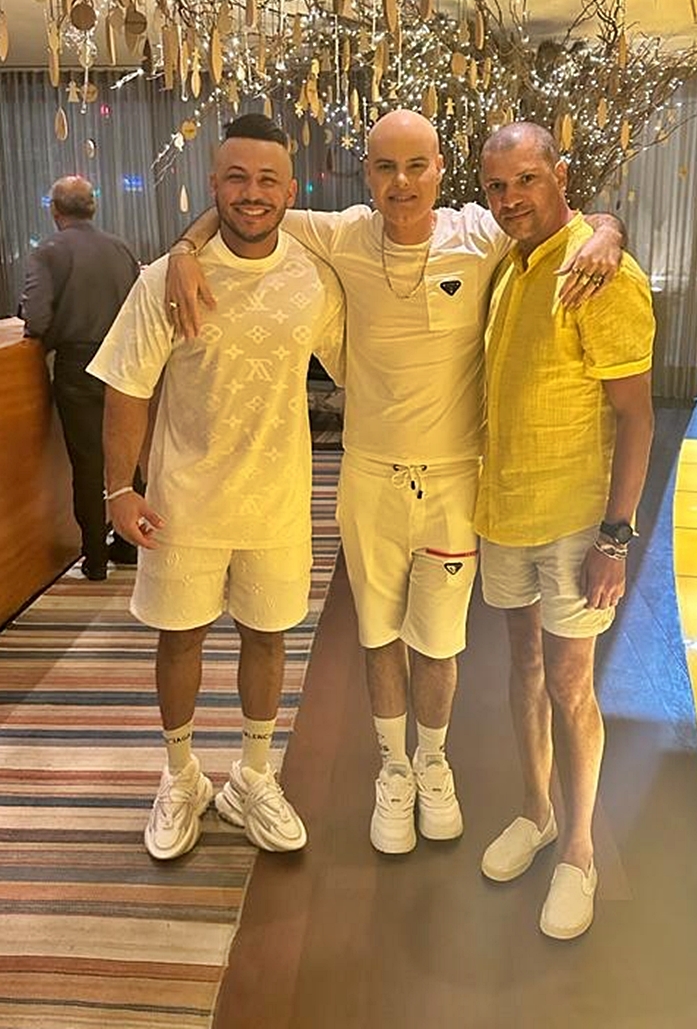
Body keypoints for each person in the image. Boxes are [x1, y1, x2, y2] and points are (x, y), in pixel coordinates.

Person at [166, 109, 624, 856]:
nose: (401, 182)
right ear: (368, 175)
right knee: (379, 634)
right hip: (368, 476)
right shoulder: (344, 234)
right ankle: (393, 769)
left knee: (438, 643)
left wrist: (609, 229)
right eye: (385, 167)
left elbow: (562, 219)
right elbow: (251, 206)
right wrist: (187, 248)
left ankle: (434, 764)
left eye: (416, 165)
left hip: (452, 481)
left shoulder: (480, 233)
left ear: (440, 170)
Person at [87, 114, 345, 860]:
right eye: (236, 177)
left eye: (267, 179)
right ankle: (181, 776)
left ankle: (253, 777)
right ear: (214, 185)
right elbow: (127, 386)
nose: (251, 192)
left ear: (290, 192)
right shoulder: (164, 280)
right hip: (183, 503)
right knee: (180, 639)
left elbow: (365, 364)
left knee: (269, 637)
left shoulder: (315, 278)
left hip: (277, 501)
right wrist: (118, 490)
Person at [475, 122, 655, 939]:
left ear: (560, 174)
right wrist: (609, 223)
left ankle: (580, 850)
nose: (511, 197)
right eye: (497, 185)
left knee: (570, 684)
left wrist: (615, 539)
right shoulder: (513, 265)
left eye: (526, 179)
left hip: (578, 522)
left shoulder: (599, 273)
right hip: (508, 510)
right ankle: (536, 810)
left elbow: (638, 416)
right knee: (522, 668)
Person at [21, 176, 140, 580]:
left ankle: (95, 558)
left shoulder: (48, 251)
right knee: (126, 453)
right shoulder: (121, 248)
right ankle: (129, 544)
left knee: (88, 462)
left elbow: (36, 318)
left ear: (55, 211)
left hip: (79, 366)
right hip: (125, 363)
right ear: (93, 208)